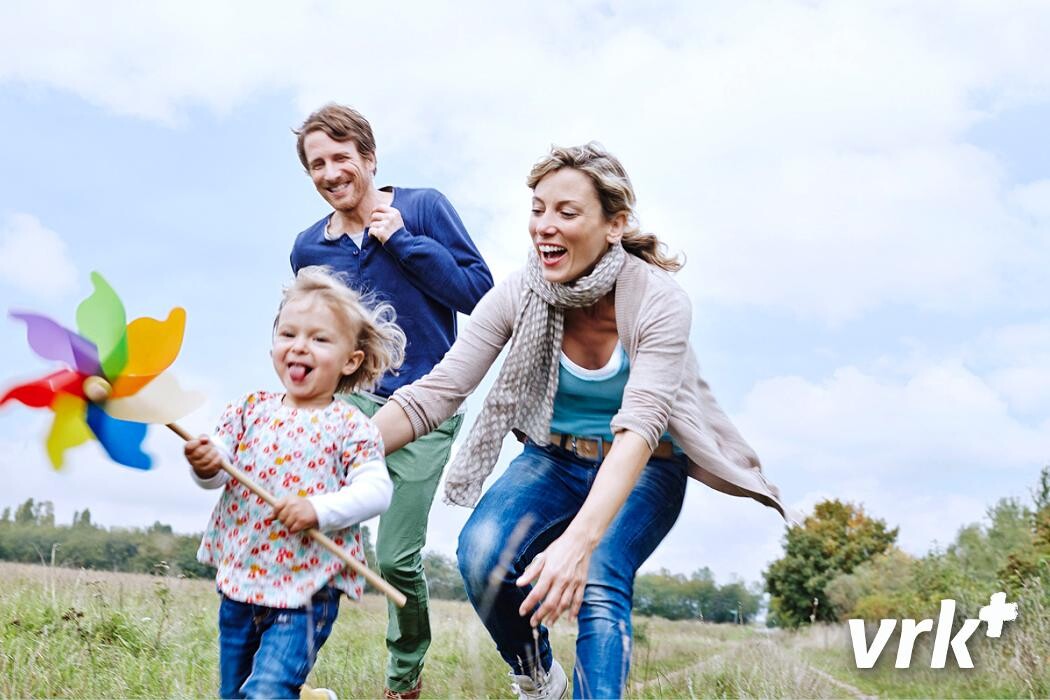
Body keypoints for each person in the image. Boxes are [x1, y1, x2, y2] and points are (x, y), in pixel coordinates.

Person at [373, 142, 792, 699]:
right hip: (553, 457)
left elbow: (641, 426)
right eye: (538, 209)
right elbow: (439, 391)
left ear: (614, 224)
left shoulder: (659, 302)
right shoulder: (521, 294)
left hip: (645, 465)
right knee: (482, 553)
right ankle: (538, 677)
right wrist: (333, 449)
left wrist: (579, 542)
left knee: (600, 577)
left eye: (566, 212)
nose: (545, 226)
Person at [289, 103, 493, 699]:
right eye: (316, 165)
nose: (330, 173)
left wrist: (403, 240)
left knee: (396, 561)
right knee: (305, 525)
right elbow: (309, 331)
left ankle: (404, 682)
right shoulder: (308, 250)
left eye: (340, 158)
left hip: (428, 406)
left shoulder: (423, 207)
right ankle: (284, 673)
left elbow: (476, 291)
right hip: (352, 403)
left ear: (369, 159)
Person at [186, 266, 405, 699]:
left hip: (308, 590)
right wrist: (206, 464)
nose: (299, 346)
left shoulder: (351, 426)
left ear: (351, 360)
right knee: (234, 693)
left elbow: (377, 490)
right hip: (241, 582)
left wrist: (318, 509)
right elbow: (216, 473)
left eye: (319, 339)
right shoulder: (248, 410)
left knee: (264, 694)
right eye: (288, 334)